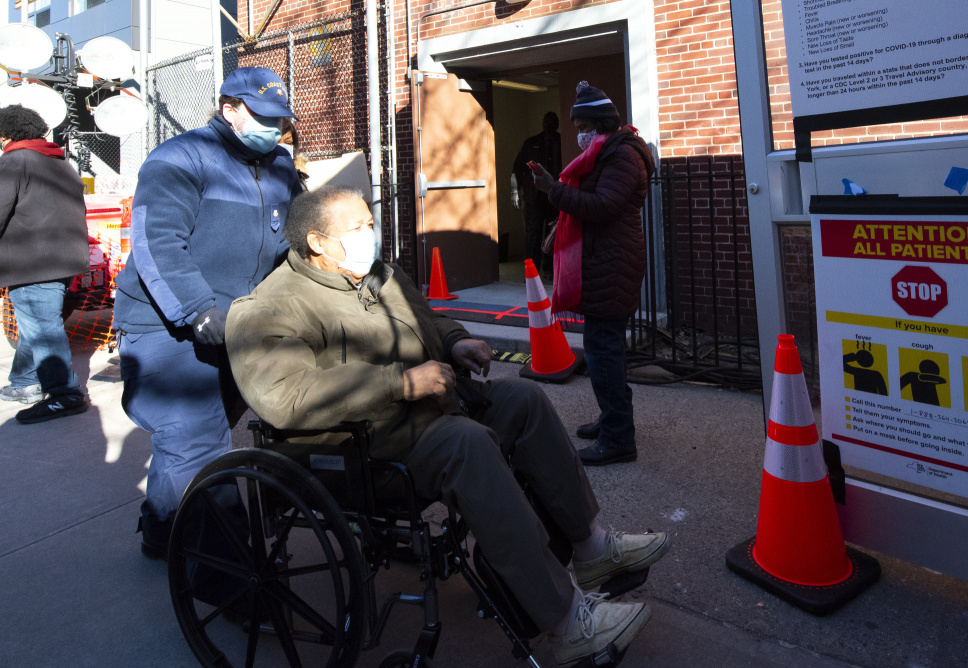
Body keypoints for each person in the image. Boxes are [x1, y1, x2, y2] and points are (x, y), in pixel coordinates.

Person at [225, 186, 672, 666]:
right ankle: (566, 622)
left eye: (370, 224)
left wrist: (456, 341)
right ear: (318, 242)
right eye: (357, 229)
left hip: (428, 408)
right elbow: (286, 396)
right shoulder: (269, 308)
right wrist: (398, 382)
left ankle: (591, 546)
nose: (370, 235)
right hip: (360, 445)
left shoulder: (377, 274)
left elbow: (426, 320)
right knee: (469, 445)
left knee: (524, 399)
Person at [113, 66, 302, 559]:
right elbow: (158, 241)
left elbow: (299, 239)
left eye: (280, 120)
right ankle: (231, 580)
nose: (275, 130)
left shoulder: (280, 165)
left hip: (237, 321)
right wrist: (198, 311)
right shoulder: (180, 157)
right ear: (229, 110)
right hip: (168, 323)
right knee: (199, 445)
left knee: (199, 429)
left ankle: (159, 527)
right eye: (263, 118)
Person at [529, 82, 655, 466]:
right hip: (605, 264)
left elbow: (602, 206)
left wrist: (553, 190)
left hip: (612, 266)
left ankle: (619, 439)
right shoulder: (608, 152)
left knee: (604, 356)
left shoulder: (621, 156)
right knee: (604, 354)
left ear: (600, 123)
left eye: (583, 123)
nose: (579, 132)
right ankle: (610, 420)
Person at [0, 105, 90, 423]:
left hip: (31, 264)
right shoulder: (60, 162)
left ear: (6, 134)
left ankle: (65, 394)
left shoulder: (13, 160)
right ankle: (25, 383)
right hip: (61, 262)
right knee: (34, 326)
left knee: (42, 329)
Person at [512, 111, 561, 276]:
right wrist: (514, 192)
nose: (549, 124)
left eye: (553, 121)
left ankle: (550, 269)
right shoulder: (531, 143)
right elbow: (517, 168)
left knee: (553, 234)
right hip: (534, 196)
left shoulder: (561, 142)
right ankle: (532, 273)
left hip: (555, 196)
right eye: (547, 120)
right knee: (533, 235)